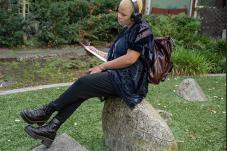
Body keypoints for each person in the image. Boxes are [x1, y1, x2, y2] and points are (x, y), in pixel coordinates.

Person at [20, 0, 154, 147]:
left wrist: (102, 67)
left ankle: (47, 111)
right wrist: (95, 51)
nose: (119, 16)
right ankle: (51, 128)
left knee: (84, 83)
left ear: (135, 15)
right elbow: (116, 56)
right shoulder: (127, 28)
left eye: (123, 14)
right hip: (118, 74)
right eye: (118, 11)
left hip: (129, 81)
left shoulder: (143, 29)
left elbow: (129, 59)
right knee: (83, 89)